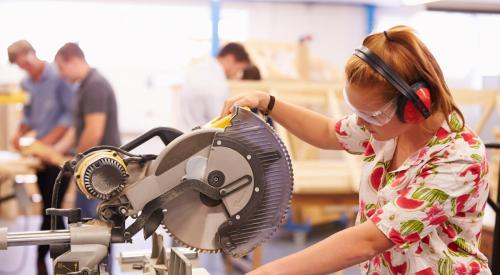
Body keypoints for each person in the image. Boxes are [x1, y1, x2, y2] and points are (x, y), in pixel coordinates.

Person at [221, 26, 491, 275]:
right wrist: (267, 101)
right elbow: (329, 131)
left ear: (413, 106)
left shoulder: (459, 157)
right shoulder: (388, 128)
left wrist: (269, 272)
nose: (360, 122)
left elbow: (369, 241)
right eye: (356, 110)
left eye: (370, 114)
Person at [7, 40, 75, 275]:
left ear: (32, 54)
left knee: (54, 211)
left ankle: (48, 261)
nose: (24, 68)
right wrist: (18, 133)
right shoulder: (27, 83)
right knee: (49, 209)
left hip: (59, 155)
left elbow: (69, 118)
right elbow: (27, 115)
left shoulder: (59, 76)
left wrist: (46, 144)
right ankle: (47, 262)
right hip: (40, 156)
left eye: (25, 62)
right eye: (19, 66)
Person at [177, 42, 250, 132]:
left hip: (183, 131)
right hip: (197, 139)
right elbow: (221, 120)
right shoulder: (216, 82)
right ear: (230, 59)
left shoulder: (198, 68)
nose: (237, 74)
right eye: (239, 69)